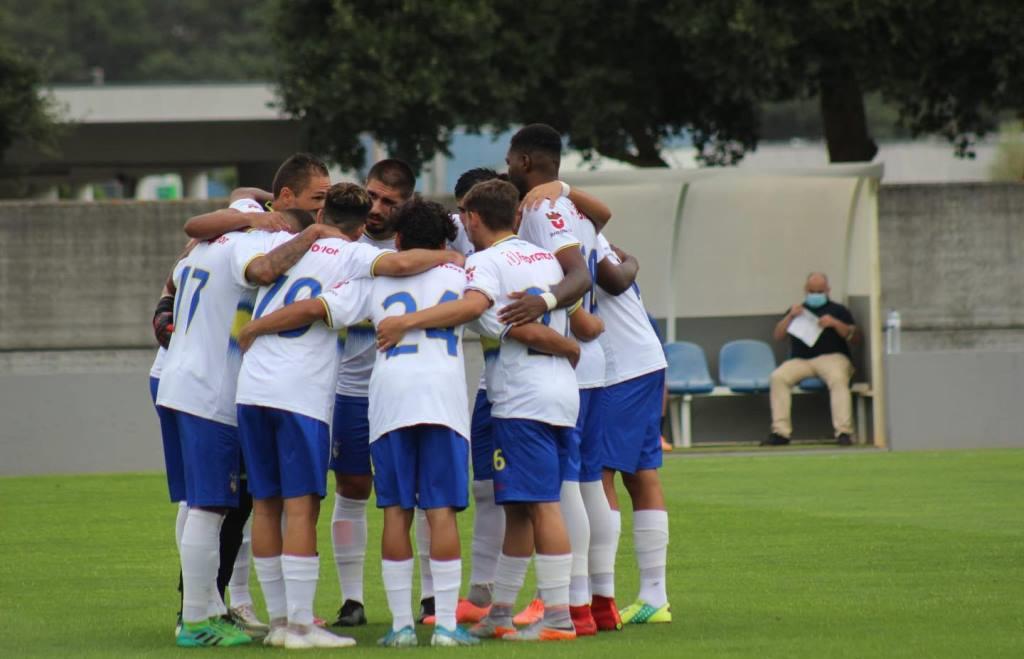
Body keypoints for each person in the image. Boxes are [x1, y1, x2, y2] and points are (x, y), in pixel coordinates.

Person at [236, 199, 479, 647]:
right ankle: (445, 625)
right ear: (444, 241)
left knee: (395, 510)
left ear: (398, 238)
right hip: (443, 401)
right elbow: (488, 316)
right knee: (441, 510)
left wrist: (256, 326)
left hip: (388, 403)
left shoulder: (373, 277)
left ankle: (402, 626)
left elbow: (312, 308)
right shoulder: (463, 273)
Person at [376, 179, 582, 642]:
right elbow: (575, 314)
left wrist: (405, 322)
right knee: (520, 507)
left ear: (472, 218)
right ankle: (501, 612)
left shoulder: (484, 264)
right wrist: (570, 344)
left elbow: (504, 324)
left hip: (521, 396)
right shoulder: (542, 256)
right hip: (560, 393)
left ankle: (557, 617)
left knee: (543, 504)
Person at [157, 201, 339, 648]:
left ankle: (209, 608)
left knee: (194, 502)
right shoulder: (246, 244)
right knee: (210, 505)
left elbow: (186, 254)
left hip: (174, 381)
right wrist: (311, 236)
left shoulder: (198, 249)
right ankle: (197, 620)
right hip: (211, 390)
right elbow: (261, 271)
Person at [500, 123, 611, 634]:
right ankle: (592, 602)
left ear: (523, 161)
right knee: (582, 485)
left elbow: (579, 276)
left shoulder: (544, 209)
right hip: (577, 356)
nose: (505, 168)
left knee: (565, 488)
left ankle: (569, 604)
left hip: (561, 363)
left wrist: (544, 303)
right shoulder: (572, 206)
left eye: (508, 159)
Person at [326, 159, 438, 628]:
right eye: (372, 196)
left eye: (389, 201)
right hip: (351, 388)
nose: (376, 207)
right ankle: (352, 599)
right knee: (353, 486)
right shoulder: (339, 244)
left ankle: (432, 599)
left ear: (406, 203)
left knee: (422, 489)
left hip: (409, 387)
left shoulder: (429, 241)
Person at [592, 235, 672, 625]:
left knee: (600, 474)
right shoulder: (585, 229)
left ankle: (600, 600)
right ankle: (654, 596)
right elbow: (622, 270)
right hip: (641, 362)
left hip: (620, 370)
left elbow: (613, 279)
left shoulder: (558, 226)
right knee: (641, 475)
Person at [765, 272, 860, 447]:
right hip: (801, 360)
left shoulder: (839, 310)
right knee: (778, 377)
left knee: (838, 379)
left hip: (832, 358)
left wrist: (835, 323)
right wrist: (790, 316)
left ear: (828, 290)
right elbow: (778, 335)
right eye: (812, 291)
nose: (815, 294)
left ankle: (844, 432)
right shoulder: (797, 310)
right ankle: (780, 432)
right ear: (805, 290)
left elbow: (854, 337)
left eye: (820, 291)